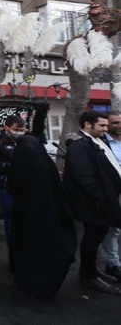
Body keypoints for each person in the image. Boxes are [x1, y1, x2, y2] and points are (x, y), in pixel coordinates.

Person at [7, 135, 77, 300]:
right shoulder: (46, 165)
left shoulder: (22, 161)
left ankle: (28, 283)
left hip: (27, 216)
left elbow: (12, 185)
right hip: (50, 218)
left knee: (28, 249)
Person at [64, 111, 121, 295]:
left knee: (97, 237)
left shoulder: (96, 140)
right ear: (87, 125)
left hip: (103, 200)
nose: (106, 129)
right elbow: (85, 179)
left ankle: (90, 270)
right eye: (102, 125)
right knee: (92, 238)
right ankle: (89, 277)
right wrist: (102, 201)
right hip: (94, 204)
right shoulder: (79, 145)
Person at [0, 115, 27, 271]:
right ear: (6, 127)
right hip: (6, 186)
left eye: (22, 130)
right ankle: (14, 258)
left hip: (25, 186)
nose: (19, 132)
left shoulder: (25, 140)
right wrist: (13, 166)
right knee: (11, 221)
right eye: (16, 129)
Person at [101, 110, 121, 282]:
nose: (119, 126)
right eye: (115, 123)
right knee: (113, 229)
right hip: (113, 191)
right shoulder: (100, 143)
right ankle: (112, 264)